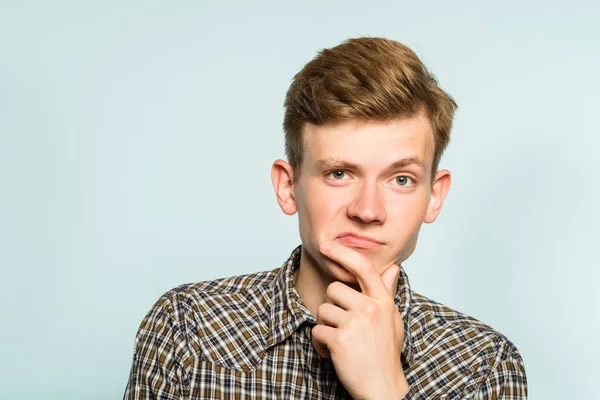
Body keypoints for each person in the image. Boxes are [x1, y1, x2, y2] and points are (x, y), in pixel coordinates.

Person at [124, 37, 527, 399]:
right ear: (288, 186)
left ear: (433, 197)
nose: (367, 210)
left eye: (401, 179)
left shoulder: (483, 366)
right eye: (339, 174)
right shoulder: (188, 328)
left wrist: (383, 388)